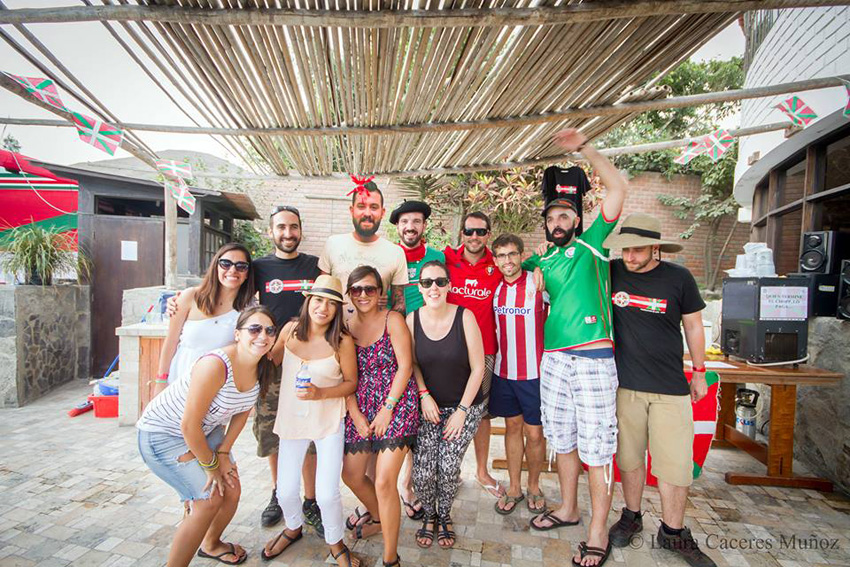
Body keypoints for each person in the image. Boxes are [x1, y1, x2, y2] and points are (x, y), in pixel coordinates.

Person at [523, 128, 627, 567]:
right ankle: (567, 508)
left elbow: (619, 187)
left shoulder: (593, 243)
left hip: (593, 358)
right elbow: (509, 266)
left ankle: (597, 530)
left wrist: (585, 148)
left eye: (565, 216)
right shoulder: (541, 260)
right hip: (554, 361)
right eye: (552, 218)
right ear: (545, 224)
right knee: (561, 438)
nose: (558, 223)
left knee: (597, 447)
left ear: (577, 220)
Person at [603, 214, 716, 567]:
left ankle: (673, 531)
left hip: (670, 388)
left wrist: (699, 372)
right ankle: (632, 516)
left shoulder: (678, 278)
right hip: (625, 387)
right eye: (624, 250)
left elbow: (694, 327)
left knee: (674, 465)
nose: (629, 257)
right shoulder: (612, 273)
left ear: (656, 248)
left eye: (636, 250)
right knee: (630, 459)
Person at [137, 305, 278, 567]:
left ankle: (211, 544)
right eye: (255, 329)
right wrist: (211, 465)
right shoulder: (215, 364)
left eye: (270, 330)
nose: (263, 335)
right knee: (208, 499)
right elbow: (188, 425)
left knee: (232, 489)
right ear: (237, 334)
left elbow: (242, 411)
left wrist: (224, 453)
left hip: (205, 430)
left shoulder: (260, 366)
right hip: (162, 434)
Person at [262, 275, 360, 567]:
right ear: (308, 301)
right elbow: (270, 360)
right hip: (292, 418)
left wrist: (321, 393)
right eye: (318, 300)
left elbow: (351, 383)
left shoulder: (341, 341)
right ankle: (293, 528)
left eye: (331, 303)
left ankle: (335, 541)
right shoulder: (290, 330)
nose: (324, 308)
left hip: (328, 419)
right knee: (286, 489)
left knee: (328, 493)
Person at [340, 266, 419, 567]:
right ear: (349, 294)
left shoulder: (393, 319)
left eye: (369, 289)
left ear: (381, 293)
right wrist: (355, 413)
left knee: (385, 481)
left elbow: (405, 367)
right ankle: (380, 517)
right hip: (360, 403)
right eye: (356, 290)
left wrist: (387, 408)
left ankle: (390, 557)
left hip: (396, 401)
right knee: (351, 474)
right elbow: (344, 375)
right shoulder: (344, 326)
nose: (363, 295)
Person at [407, 261, 486, 550]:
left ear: (449, 285)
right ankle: (429, 515)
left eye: (440, 282)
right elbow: (411, 363)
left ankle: (444, 515)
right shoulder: (412, 319)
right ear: (420, 287)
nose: (434, 288)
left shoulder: (465, 317)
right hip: (428, 406)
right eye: (427, 283)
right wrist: (423, 393)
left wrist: (462, 413)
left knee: (448, 466)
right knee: (424, 471)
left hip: (464, 407)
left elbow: (479, 369)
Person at [255, 205, 323, 533]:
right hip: (272, 363)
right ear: (271, 231)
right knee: (273, 433)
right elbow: (232, 298)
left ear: (301, 230)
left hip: (309, 363)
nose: (287, 233)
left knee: (309, 434)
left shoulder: (315, 266)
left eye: (293, 227)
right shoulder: (259, 268)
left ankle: (310, 499)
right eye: (281, 227)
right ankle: (278, 494)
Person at [388, 199, 445, 520]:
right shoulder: (387, 254)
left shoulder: (437, 258)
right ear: (398, 226)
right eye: (405, 221)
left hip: (429, 345)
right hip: (394, 346)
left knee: (421, 419)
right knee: (395, 416)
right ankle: (382, 483)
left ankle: (407, 485)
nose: (411, 227)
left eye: (417, 222)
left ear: (424, 226)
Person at [443, 211, 504, 499]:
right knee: (447, 410)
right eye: (470, 232)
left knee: (481, 414)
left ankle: (481, 471)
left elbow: (526, 266)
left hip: (486, 353)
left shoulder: (498, 263)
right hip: (449, 351)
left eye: (481, 232)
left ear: (488, 234)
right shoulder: (446, 258)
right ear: (462, 234)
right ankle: (448, 472)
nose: (475, 237)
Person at [488, 234, 547, 515]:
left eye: (512, 254)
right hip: (504, 371)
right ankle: (515, 488)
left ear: (522, 255)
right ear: (495, 259)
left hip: (534, 373)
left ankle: (534, 486)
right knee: (512, 428)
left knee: (535, 433)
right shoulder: (495, 288)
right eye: (501, 255)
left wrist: (539, 261)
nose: (507, 260)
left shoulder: (538, 283)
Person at [154, 242, 255, 397]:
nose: (232, 270)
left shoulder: (249, 309)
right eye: (225, 264)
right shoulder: (190, 297)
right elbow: (171, 341)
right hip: (180, 377)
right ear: (216, 266)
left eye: (241, 266)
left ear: (247, 273)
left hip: (218, 384)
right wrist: (161, 381)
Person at [319, 177, 408, 318]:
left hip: (376, 336)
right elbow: (322, 295)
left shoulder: (396, 252)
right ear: (352, 210)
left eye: (374, 207)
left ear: (382, 212)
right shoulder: (332, 244)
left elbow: (399, 304)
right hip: (336, 334)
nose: (367, 213)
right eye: (361, 206)